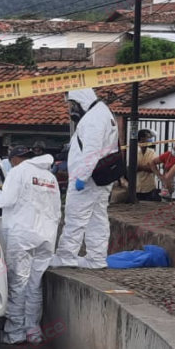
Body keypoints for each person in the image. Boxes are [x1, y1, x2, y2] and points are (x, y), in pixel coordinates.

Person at [0, 146, 61, 345]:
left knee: (18, 285)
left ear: (15, 159)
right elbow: (57, 210)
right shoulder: (49, 176)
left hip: (22, 235)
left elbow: (7, 200)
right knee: (34, 286)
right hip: (46, 237)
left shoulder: (18, 172)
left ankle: (15, 333)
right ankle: (33, 331)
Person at [51, 88, 119, 269]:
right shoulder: (103, 112)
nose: (71, 109)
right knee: (98, 218)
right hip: (99, 177)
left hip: (87, 179)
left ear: (81, 100)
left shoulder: (93, 119)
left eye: (72, 104)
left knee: (75, 217)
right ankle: (96, 258)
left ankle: (66, 256)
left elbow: (91, 151)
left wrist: (81, 177)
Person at [134, 129, 160, 201]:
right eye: (148, 137)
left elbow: (152, 169)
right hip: (136, 187)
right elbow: (132, 168)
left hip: (149, 187)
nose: (150, 139)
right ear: (142, 138)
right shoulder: (133, 151)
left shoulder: (151, 152)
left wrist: (140, 167)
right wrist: (147, 166)